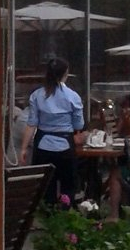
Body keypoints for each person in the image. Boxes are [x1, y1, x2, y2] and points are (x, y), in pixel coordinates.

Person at [19, 57, 85, 205]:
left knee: (45, 186)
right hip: (65, 145)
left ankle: (47, 212)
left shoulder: (37, 95)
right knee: (68, 186)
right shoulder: (73, 96)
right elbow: (79, 125)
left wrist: (23, 148)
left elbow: (32, 124)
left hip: (43, 145)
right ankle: (65, 213)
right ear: (65, 74)